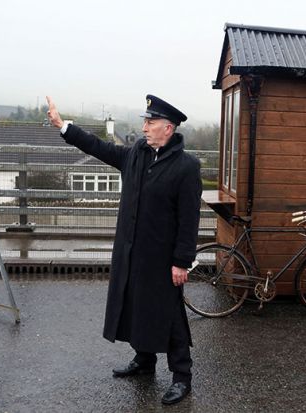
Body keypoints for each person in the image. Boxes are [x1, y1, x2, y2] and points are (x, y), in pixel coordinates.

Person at [46, 94, 202, 405]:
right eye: (145, 121)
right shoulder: (137, 155)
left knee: (170, 315)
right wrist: (64, 127)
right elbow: (100, 148)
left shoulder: (186, 167)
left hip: (163, 259)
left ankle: (182, 376)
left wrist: (181, 262)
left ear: (168, 128)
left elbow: (189, 219)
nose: (144, 127)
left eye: (151, 122)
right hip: (132, 253)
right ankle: (144, 361)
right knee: (134, 305)